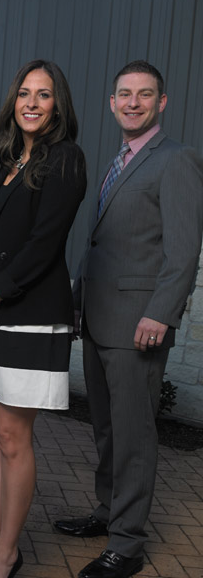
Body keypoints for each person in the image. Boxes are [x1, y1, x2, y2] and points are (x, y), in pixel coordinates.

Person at [55, 61, 203, 578]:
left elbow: (184, 253)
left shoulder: (178, 160)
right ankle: (107, 511)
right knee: (106, 430)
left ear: (162, 102)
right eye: (125, 94)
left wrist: (160, 315)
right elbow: (101, 244)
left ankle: (128, 544)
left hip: (139, 325)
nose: (133, 102)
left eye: (145, 95)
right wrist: (76, 300)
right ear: (111, 103)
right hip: (98, 321)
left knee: (134, 436)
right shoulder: (118, 160)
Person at [0, 59, 87, 578]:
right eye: (25, 92)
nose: (32, 102)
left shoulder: (66, 159)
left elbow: (43, 245)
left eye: (44, 94)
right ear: (13, 101)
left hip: (28, 313)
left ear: (58, 104)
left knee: (12, 435)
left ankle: (6, 554)